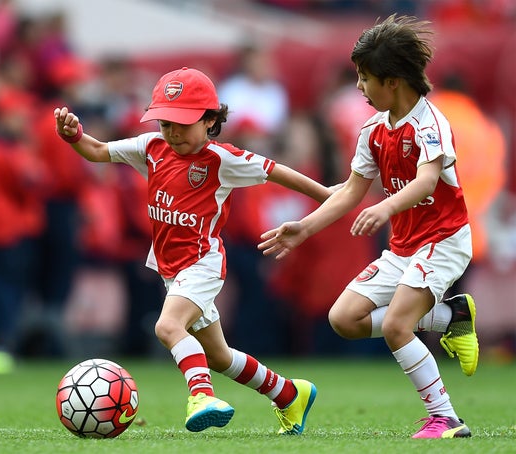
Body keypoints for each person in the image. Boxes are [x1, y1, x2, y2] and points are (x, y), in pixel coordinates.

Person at [54, 67, 329, 435]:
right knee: (218, 356)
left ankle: (201, 396)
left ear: (211, 120)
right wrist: (74, 136)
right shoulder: (151, 148)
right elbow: (98, 150)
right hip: (171, 270)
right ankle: (289, 394)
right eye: (165, 123)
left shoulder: (221, 159)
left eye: (183, 123)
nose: (173, 132)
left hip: (202, 264)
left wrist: (330, 197)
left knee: (167, 326)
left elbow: (279, 172)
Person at [258, 15, 479, 439]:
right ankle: (450, 315)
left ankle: (446, 418)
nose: (358, 88)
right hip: (403, 247)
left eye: (364, 78)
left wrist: (387, 207)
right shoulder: (373, 129)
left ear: (392, 81)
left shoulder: (429, 124)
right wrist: (303, 228)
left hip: (443, 240)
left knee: (396, 326)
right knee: (344, 319)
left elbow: (427, 181)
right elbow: (350, 190)